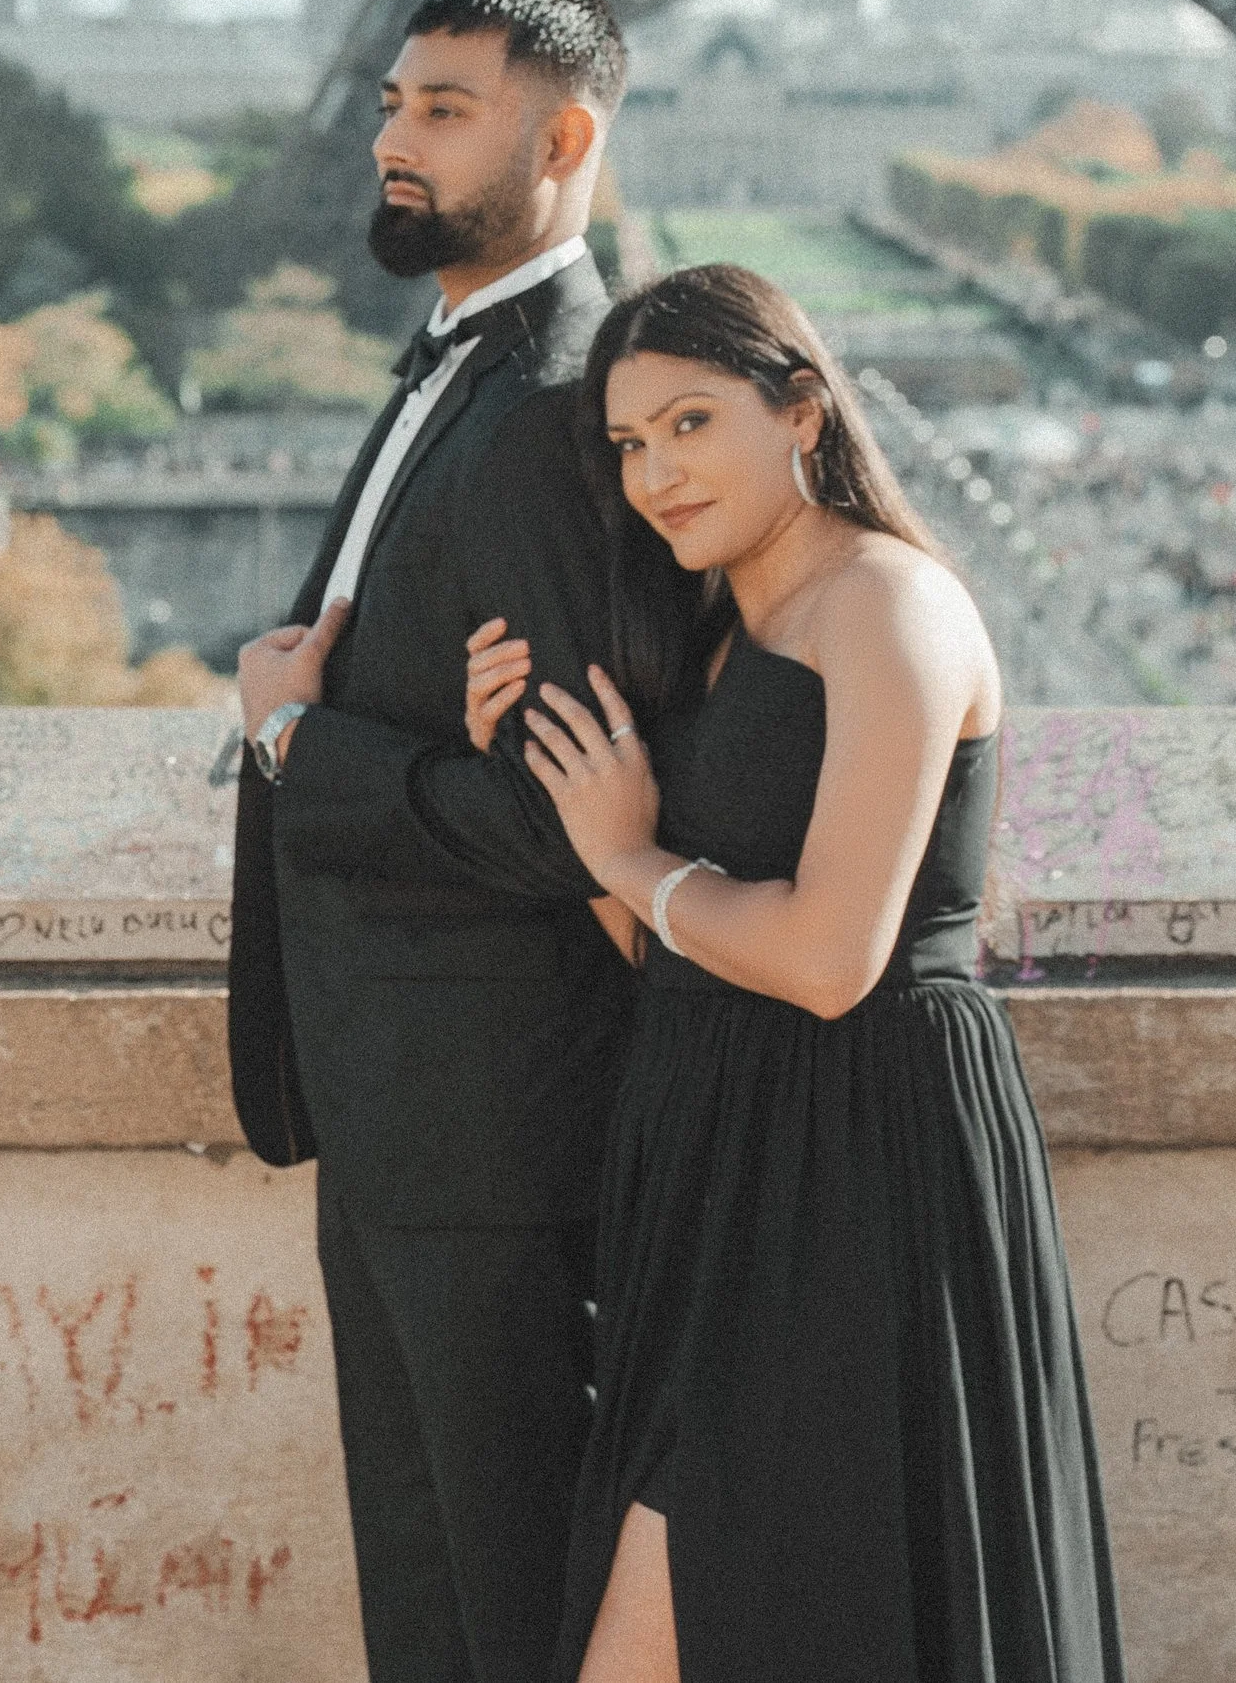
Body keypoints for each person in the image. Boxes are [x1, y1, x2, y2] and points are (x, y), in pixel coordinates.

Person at [461, 261, 1123, 1683]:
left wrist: (632, 857)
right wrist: (547, 787)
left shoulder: (890, 605)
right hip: (719, 1173)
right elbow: (667, 951)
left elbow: (829, 958)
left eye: (692, 422)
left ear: (802, 408)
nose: (655, 474)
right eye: (630, 443)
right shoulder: (710, 633)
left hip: (859, 1168)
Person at [228, 0, 638, 1683]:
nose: (394, 138)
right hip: (409, 1114)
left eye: (443, 110)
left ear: (564, 136)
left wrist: (297, 739)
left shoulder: (555, 411)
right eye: (395, 102)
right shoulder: (463, 366)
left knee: (500, 1603)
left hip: (490, 1139)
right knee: (440, 1606)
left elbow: (567, 823)